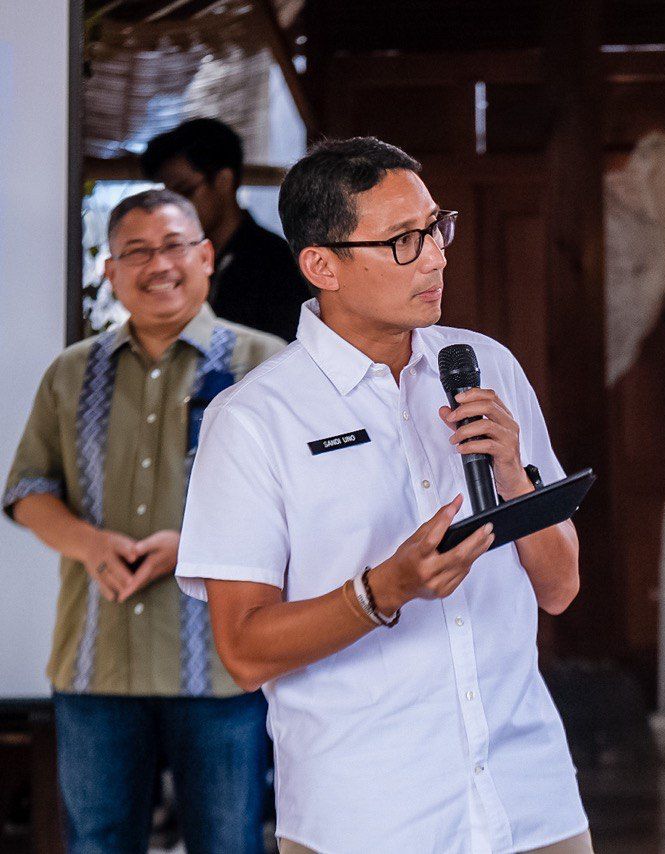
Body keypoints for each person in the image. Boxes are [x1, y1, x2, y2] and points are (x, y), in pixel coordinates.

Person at [174, 137, 591, 853]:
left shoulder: (486, 366)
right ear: (321, 265)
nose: (435, 258)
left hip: (531, 802)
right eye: (403, 241)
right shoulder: (254, 420)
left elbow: (560, 588)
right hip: (367, 818)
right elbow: (242, 651)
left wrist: (514, 474)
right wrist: (382, 590)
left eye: (435, 228)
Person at [3, 189, 284, 853]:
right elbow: (28, 488)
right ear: (110, 270)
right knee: (99, 843)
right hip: (95, 664)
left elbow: (301, 507)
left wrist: (192, 549)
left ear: (206, 256)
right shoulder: (72, 372)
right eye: (136, 251)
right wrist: (89, 543)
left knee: (228, 842)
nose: (158, 265)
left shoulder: (265, 365)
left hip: (223, 664)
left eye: (173, 246)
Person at [142, 117, 311, 341]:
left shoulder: (277, 264)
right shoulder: (179, 261)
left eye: (185, 191)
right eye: (168, 198)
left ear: (223, 181)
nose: (175, 208)